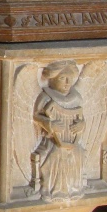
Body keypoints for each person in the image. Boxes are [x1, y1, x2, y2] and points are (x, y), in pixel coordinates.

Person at [32, 61, 86, 199]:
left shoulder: (76, 97)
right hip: (50, 140)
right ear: (52, 79)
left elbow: (81, 117)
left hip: (71, 139)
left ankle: (74, 188)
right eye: (62, 78)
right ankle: (53, 191)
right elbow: (36, 116)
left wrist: (81, 125)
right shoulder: (46, 97)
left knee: (77, 152)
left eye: (70, 79)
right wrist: (49, 124)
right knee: (57, 154)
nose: (67, 83)